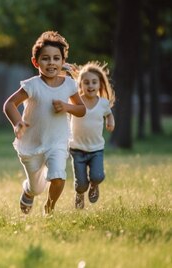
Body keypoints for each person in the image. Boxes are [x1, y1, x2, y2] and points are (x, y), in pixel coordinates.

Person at [3, 31, 85, 215]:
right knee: (37, 187)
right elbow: (9, 104)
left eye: (56, 58)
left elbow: (81, 109)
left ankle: (49, 208)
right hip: (31, 143)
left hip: (57, 140)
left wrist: (66, 107)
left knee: (58, 176)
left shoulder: (69, 85)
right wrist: (18, 123)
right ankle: (28, 190)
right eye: (46, 58)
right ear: (36, 62)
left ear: (63, 62)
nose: (51, 63)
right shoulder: (32, 86)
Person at [68, 61, 115, 209]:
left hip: (96, 149)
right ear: (80, 84)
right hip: (77, 149)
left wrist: (110, 122)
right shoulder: (75, 101)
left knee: (98, 176)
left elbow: (109, 114)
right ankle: (80, 194)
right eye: (86, 82)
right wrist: (65, 70)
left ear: (100, 84)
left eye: (94, 82)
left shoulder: (103, 103)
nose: (90, 85)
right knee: (81, 184)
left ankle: (94, 185)